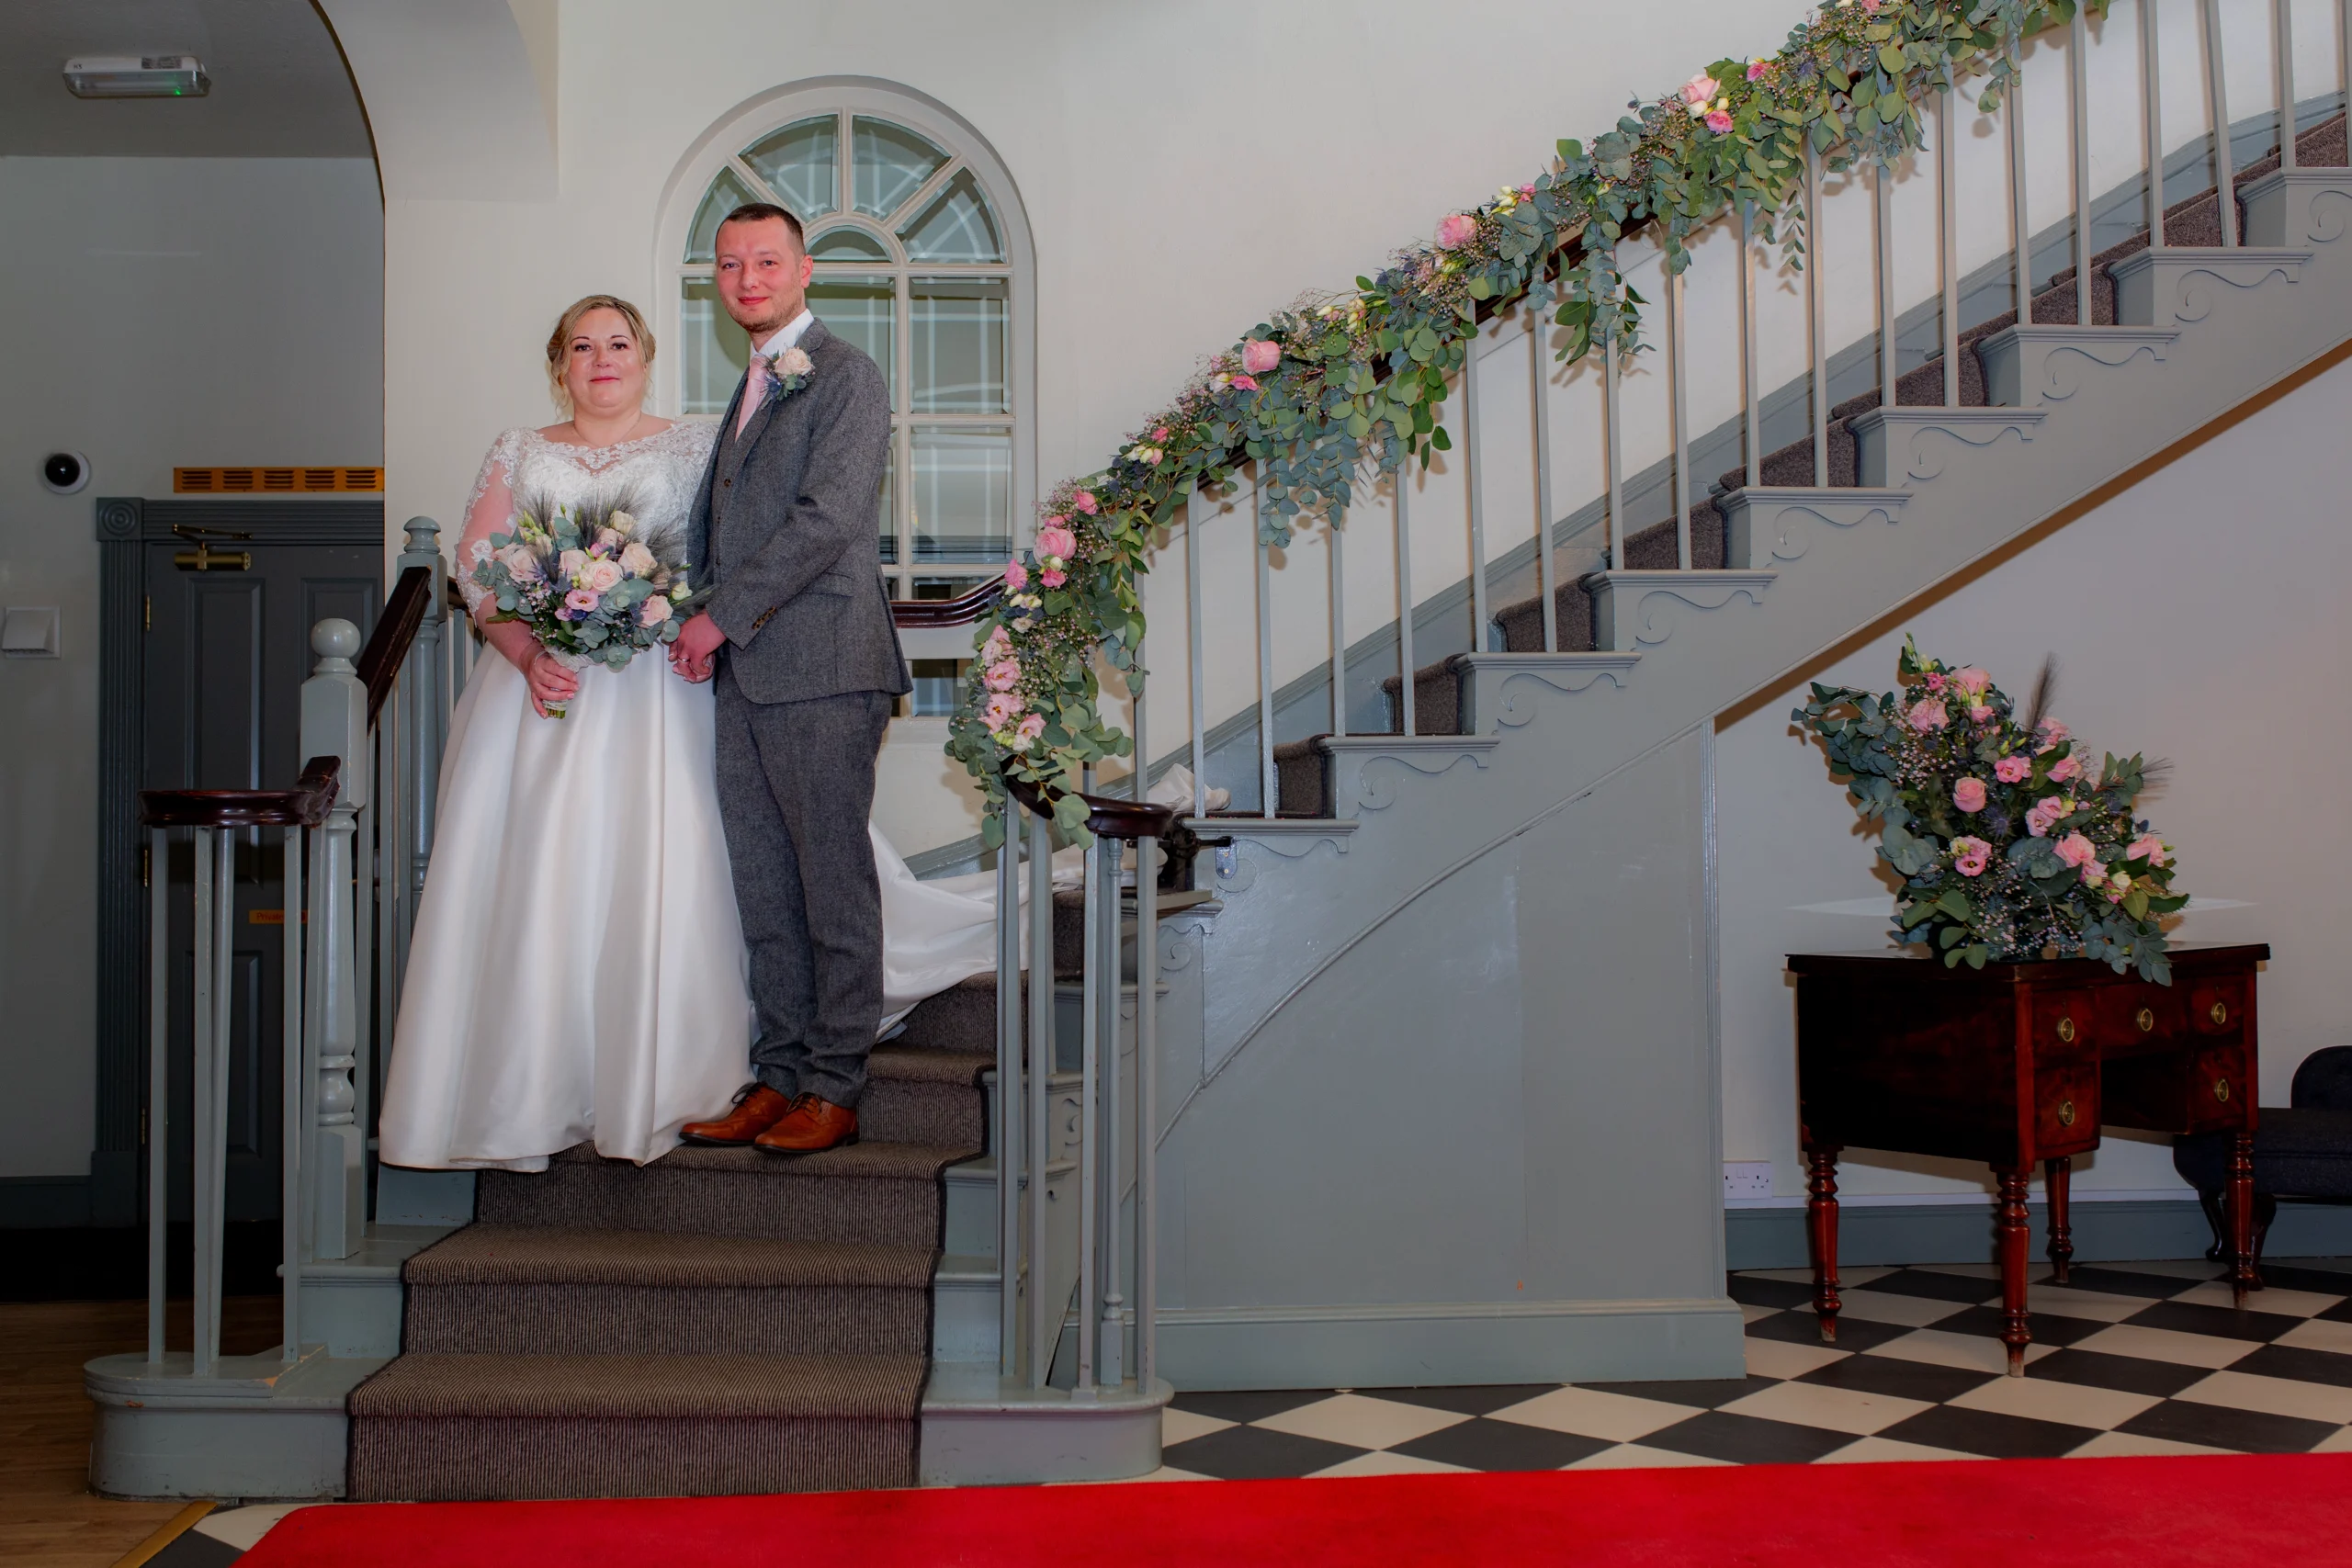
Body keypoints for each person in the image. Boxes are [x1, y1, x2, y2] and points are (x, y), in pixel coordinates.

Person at [378, 291, 982, 1173]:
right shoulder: (519, 450)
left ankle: (687, 1074)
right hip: (551, 695)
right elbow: (480, 575)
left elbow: (747, 545)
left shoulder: (699, 442)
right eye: (582, 347)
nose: (602, 359)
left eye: (618, 342)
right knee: (550, 877)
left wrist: (672, 611)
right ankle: (538, 1082)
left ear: (646, 354)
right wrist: (524, 651)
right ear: (560, 365)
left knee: (694, 867)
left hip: (666, 687)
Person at [669, 202, 911, 1156]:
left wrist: (717, 614)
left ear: (806, 270)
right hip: (748, 672)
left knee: (830, 883)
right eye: (730, 266)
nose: (748, 281)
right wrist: (691, 608)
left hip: (823, 665)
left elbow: (826, 518)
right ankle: (778, 1074)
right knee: (765, 886)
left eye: (766, 261)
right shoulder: (752, 382)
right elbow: (720, 523)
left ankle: (835, 1084)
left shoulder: (845, 374)